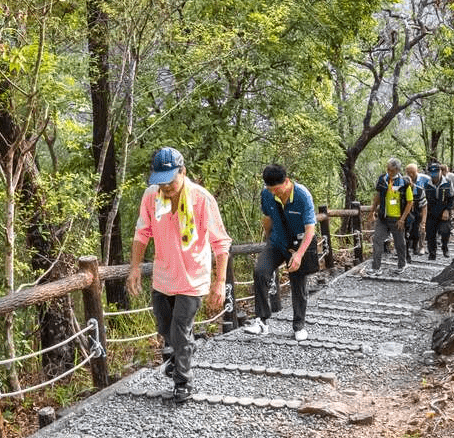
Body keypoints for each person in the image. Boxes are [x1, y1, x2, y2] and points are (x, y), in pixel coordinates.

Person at [127, 147, 231, 402]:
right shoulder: (151, 197)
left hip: (193, 277)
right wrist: (135, 267)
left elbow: (221, 242)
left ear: (183, 172)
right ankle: (179, 355)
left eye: (171, 180)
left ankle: (183, 381)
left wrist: (219, 283)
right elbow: (142, 233)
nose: (166, 187)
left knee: (180, 328)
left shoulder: (201, 199)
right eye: (160, 182)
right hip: (164, 276)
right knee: (166, 327)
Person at [243, 164, 317, 341]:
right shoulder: (266, 194)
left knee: (298, 284)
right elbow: (267, 219)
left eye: (278, 190)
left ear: (287, 182)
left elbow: (310, 230)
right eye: (271, 190)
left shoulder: (302, 195)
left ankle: (299, 325)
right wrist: (269, 242)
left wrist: (298, 255)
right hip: (277, 242)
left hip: (299, 243)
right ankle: (261, 321)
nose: (275, 193)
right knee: (260, 271)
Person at [368, 158, 410, 273]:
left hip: (397, 218)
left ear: (397, 170)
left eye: (391, 170)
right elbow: (377, 196)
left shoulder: (404, 182)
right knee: (377, 240)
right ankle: (375, 268)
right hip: (383, 216)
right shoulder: (382, 179)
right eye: (387, 169)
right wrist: (372, 211)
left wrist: (402, 219)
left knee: (399, 243)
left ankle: (402, 265)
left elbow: (410, 202)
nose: (388, 171)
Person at [423, 162, 454, 260]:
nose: (434, 174)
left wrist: (447, 210)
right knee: (430, 233)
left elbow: (451, 198)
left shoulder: (448, 182)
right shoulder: (426, 184)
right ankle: (432, 253)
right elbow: (423, 200)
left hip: (443, 211)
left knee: (445, 230)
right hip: (430, 212)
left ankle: (445, 247)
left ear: (441, 171)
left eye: (436, 171)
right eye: (432, 172)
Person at [404, 163, 426, 256]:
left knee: (417, 230)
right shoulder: (402, 184)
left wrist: (424, 220)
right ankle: (404, 249)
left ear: (417, 171)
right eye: (408, 173)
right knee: (405, 231)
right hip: (406, 211)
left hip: (419, 208)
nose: (410, 175)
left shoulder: (425, 180)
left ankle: (419, 247)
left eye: (412, 173)